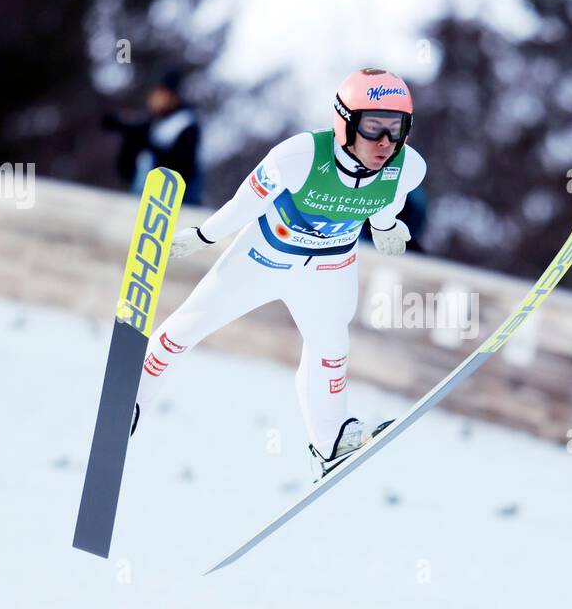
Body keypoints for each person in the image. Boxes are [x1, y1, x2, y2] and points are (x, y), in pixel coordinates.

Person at [132, 67, 426, 474]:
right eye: (373, 128)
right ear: (345, 123)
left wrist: (386, 226)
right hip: (263, 259)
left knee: (331, 350)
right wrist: (203, 235)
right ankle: (133, 398)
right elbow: (244, 203)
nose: (385, 143)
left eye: (396, 129)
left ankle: (331, 441)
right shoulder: (299, 156)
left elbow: (388, 199)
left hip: (330, 268)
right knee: (186, 328)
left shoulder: (408, 167)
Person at [101, 68, 203, 204]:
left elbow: (182, 166)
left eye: (160, 93)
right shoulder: (156, 120)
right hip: (148, 195)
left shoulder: (185, 124)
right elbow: (136, 133)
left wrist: (148, 145)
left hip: (176, 201)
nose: (154, 98)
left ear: (172, 96)